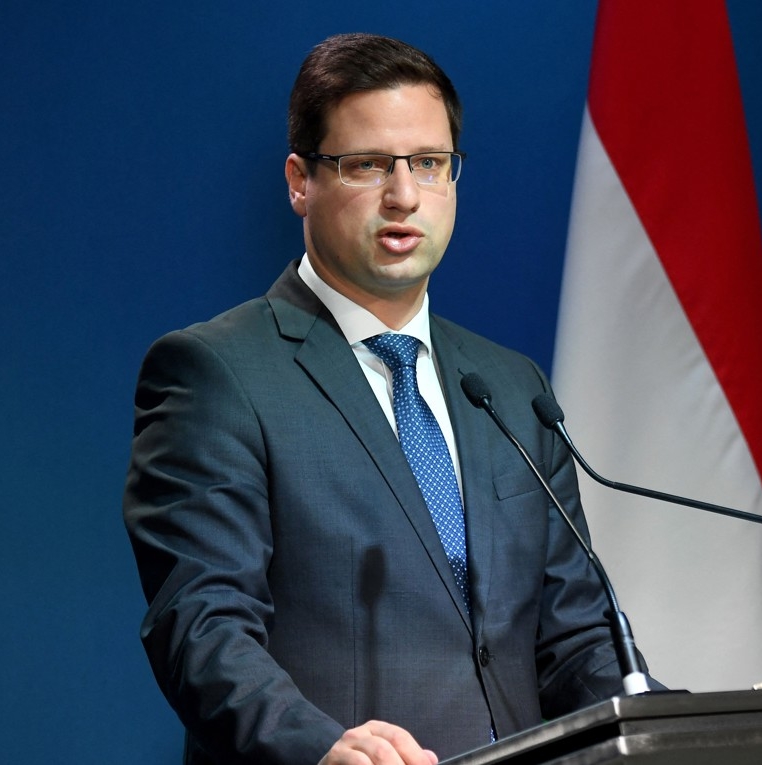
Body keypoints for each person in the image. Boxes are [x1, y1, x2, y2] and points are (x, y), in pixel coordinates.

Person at [123, 33, 657, 765]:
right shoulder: (216, 373)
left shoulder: (509, 386)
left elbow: (573, 639)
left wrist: (664, 729)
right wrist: (319, 747)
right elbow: (201, 625)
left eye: (430, 165)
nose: (405, 195)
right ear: (299, 181)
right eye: (368, 164)